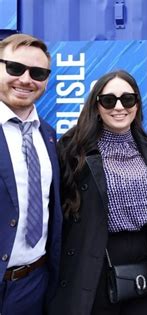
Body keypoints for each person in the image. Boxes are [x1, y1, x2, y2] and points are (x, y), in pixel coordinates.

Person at [48, 70, 147, 315]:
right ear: (96, 105)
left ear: (136, 104)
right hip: (93, 259)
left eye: (127, 99)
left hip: (145, 259)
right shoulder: (73, 151)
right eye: (108, 100)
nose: (119, 107)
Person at [0, 33, 61, 314]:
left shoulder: (48, 135)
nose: (26, 79)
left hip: (33, 285)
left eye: (37, 72)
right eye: (15, 68)